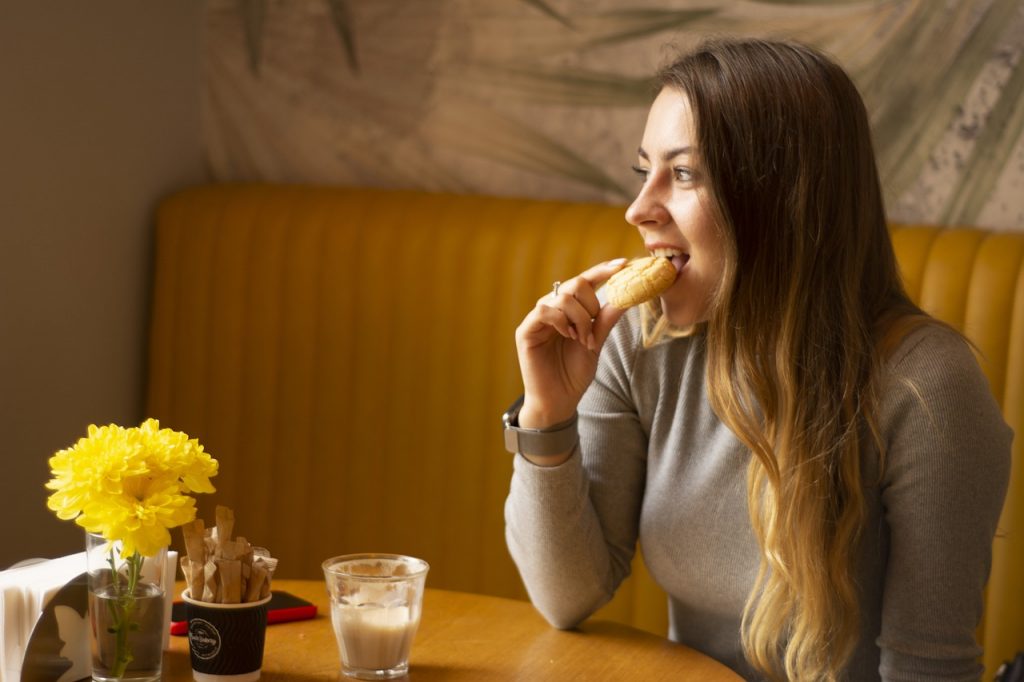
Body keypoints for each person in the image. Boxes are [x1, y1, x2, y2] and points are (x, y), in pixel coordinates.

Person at [502, 38, 1012, 681]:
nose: (638, 209)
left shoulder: (925, 386)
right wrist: (548, 417)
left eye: (684, 174)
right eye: (644, 171)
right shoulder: (636, 340)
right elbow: (566, 596)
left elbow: (927, 670)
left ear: (785, 200)